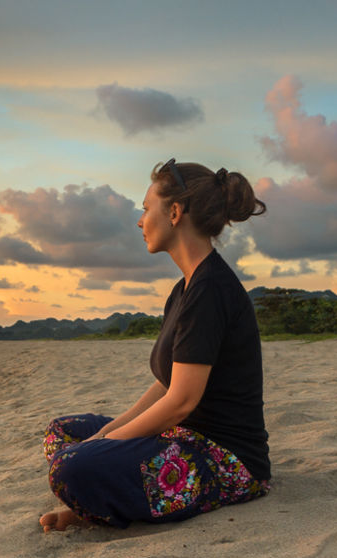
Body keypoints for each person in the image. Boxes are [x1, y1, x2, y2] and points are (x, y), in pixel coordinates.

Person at [39, 159, 271, 532]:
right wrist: (104, 435)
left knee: (72, 466)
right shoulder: (185, 289)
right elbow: (166, 385)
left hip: (224, 460)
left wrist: (102, 446)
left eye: (146, 209)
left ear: (175, 212)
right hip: (179, 437)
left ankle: (94, 507)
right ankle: (99, 500)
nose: (140, 220)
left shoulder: (211, 289)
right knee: (62, 433)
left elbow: (181, 402)